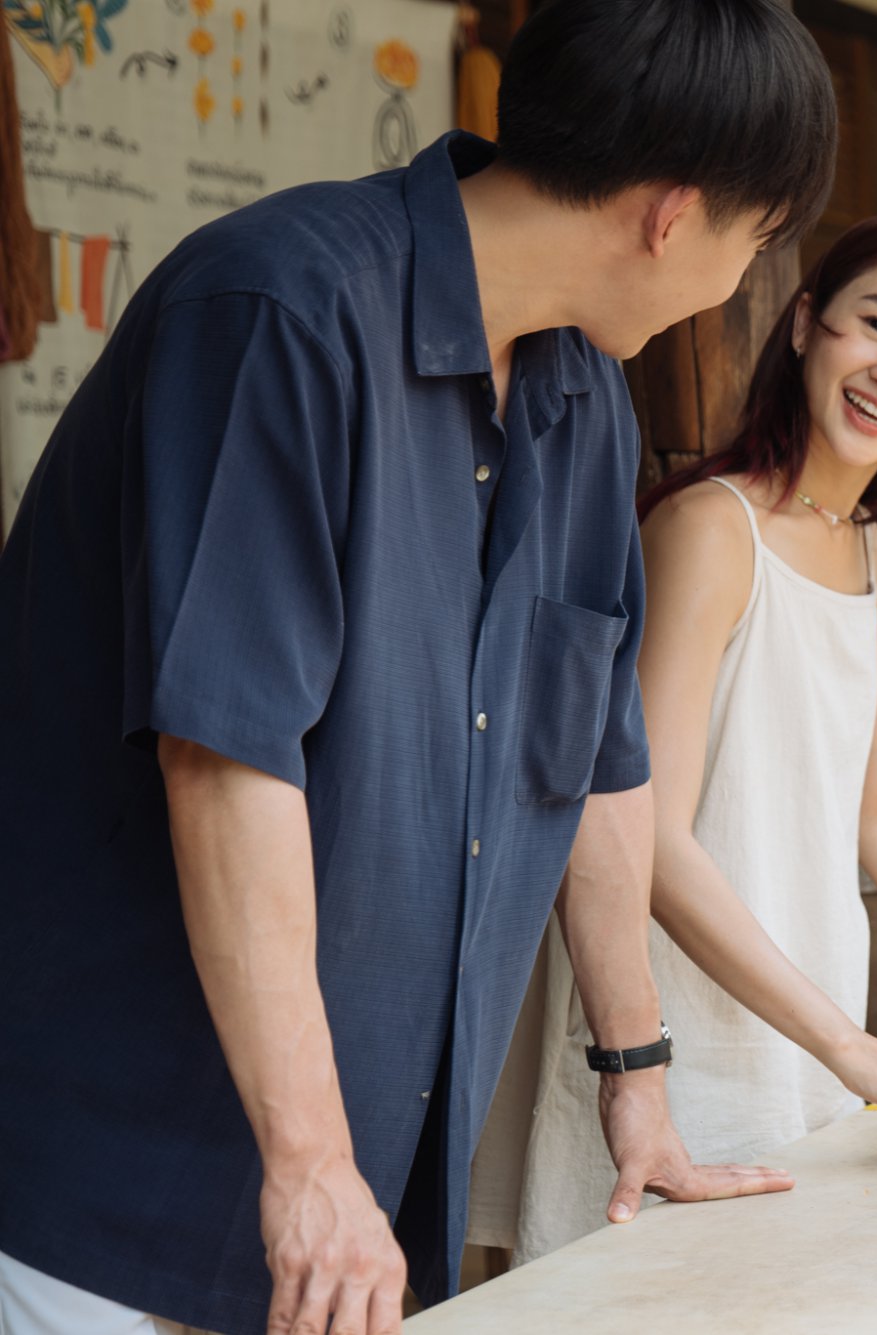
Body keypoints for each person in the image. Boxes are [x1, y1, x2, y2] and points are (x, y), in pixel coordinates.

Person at [0, 3, 835, 1332]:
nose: (744, 285)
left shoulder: (584, 402)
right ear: (673, 216)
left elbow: (598, 758)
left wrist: (636, 1074)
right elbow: (225, 752)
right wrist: (312, 1163)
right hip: (112, 1191)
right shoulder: (279, 310)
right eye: (758, 242)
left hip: (350, 1212)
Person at [477, 211, 877, 1263]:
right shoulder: (709, 530)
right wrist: (855, 1044)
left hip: (800, 1036)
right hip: (666, 1042)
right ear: (801, 326)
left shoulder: (867, 551)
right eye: (874, 324)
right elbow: (647, 839)